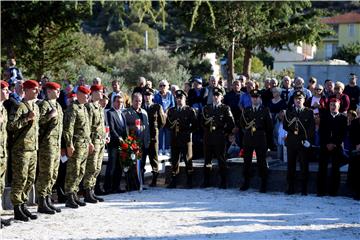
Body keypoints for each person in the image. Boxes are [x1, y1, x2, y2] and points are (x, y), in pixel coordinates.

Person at [7, 80, 40, 221]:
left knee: (30, 178)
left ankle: (23, 204)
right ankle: (17, 207)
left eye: (38, 89)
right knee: (20, 178)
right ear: (26, 90)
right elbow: (11, 125)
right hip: (21, 149)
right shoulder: (20, 106)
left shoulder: (36, 107)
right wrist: (27, 118)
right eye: (34, 89)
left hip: (33, 148)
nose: (37, 91)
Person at [63, 86, 94, 208]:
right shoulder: (73, 108)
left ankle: (75, 193)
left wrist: (90, 142)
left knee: (81, 170)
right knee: (73, 170)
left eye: (88, 95)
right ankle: (69, 195)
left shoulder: (84, 108)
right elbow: (68, 129)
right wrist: (69, 145)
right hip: (76, 144)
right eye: (86, 95)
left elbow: (87, 129)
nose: (88, 97)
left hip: (84, 144)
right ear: (79, 94)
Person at [35, 82, 63, 215]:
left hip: (56, 144)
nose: (58, 92)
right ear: (49, 91)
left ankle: (48, 199)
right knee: (45, 173)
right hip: (46, 145)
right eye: (56, 90)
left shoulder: (58, 105)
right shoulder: (43, 105)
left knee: (53, 174)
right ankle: (41, 202)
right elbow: (36, 123)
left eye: (59, 90)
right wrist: (49, 116)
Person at [200, 87, 235, 189]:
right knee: (207, 160)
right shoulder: (207, 108)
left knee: (221, 159)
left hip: (220, 137)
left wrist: (225, 133)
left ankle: (223, 181)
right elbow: (202, 122)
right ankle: (206, 181)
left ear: (221, 97)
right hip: (208, 136)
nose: (215, 97)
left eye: (217, 95)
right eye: (214, 95)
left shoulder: (225, 108)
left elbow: (231, 123)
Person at [239, 89, 273, 193]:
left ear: (260, 98)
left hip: (260, 136)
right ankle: (246, 182)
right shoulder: (247, 110)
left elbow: (269, 127)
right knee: (247, 161)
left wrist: (268, 141)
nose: (254, 99)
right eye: (253, 97)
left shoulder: (265, 110)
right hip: (249, 137)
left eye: (256, 97)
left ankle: (263, 183)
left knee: (261, 161)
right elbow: (242, 124)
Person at [283, 90, 315, 195]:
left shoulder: (309, 112)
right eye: (296, 99)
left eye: (300, 99)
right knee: (290, 166)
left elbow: (311, 128)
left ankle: (304, 188)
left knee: (304, 166)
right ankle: (290, 187)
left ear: (304, 100)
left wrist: (308, 141)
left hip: (303, 142)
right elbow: (285, 126)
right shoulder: (289, 111)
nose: (298, 101)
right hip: (292, 141)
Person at [166, 90, 197, 188]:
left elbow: (195, 125)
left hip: (186, 139)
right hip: (175, 138)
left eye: (181, 98)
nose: (179, 100)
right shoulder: (171, 110)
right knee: (174, 160)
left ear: (185, 99)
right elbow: (167, 124)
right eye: (177, 98)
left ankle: (190, 181)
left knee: (188, 159)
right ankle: (174, 180)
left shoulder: (189, 110)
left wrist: (188, 132)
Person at [317, 98, 347, 197]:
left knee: (335, 169)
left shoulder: (343, 118)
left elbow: (343, 133)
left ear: (338, 106)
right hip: (325, 146)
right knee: (322, 168)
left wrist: (334, 143)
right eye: (331, 105)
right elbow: (321, 132)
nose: (333, 107)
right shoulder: (324, 117)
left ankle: (333, 191)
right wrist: (327, 144)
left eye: (335, 105)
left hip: (336, 146)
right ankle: (321, 191)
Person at [83, 84, 107, 203]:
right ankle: (87, 191)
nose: (101, 94)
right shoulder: (89, 107)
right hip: (93, 140)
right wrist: (89, 142)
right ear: (93, 93)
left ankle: (92, 190)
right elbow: (87, 127)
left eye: (102, 92)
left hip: (101, 140)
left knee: (97, 167)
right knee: (91, 166)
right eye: (99, 92)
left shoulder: (99, 107)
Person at [123, 92, 150, 186]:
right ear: (132, 101)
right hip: (133, 143)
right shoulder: (126, 112)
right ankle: (131, 184)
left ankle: (140, 183)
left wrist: (148, 141)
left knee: (141, 165)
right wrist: (133, 128)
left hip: (144, 143)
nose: (138, 103)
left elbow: (147, 128)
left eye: (140, 101)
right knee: (132, 165)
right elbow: (124, 127)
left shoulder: (144, 112)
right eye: (136, 101)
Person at [142, 87, 166, 187]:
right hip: (143, 137)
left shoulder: (157, 107)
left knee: (154, 158)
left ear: (152, 96)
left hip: (153, 137)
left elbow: (162, 122)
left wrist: (155, 131)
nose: (147, 97)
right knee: (142, 158)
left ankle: (154, 179)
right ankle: (141, 179)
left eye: (149, 95)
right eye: (145, 95)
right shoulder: (141, 107)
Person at [105, 95, 128, 193]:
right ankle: (108, 187)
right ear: (113, 102)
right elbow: (111, 128)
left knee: (119, 166)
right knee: (112, 166)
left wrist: (127, 140)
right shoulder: (110, 113)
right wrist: (119, 138)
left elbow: (124, 128)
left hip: (122, 144)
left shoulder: (122, 113)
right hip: (114, 144)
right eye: (118, 102)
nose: (119, 104)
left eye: (121, 102)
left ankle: (116, 186)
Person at [0, 81, 11, 227]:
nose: (8, 92)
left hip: (2, 152)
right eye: (5, 90)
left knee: (0, 185)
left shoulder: (3, 109)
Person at [154, 79, 175, 156]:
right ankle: (159, 149)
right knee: (160, 133)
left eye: (164, 85)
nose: (162, 87)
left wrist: (167, 112)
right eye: (160, 85)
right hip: (160, 117)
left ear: (168, 87)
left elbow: (173, 105)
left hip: (168, 117)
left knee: (168, 132)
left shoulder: (170, 95)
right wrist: (161, 112)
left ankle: (166, 149)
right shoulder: (156, 96)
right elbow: (156, 105)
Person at [349, 112, 360, 200]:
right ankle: (356, 191)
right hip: (356, 150)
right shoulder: (354, 122)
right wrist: (357, 144)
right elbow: (351, 136)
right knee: (356, 171)